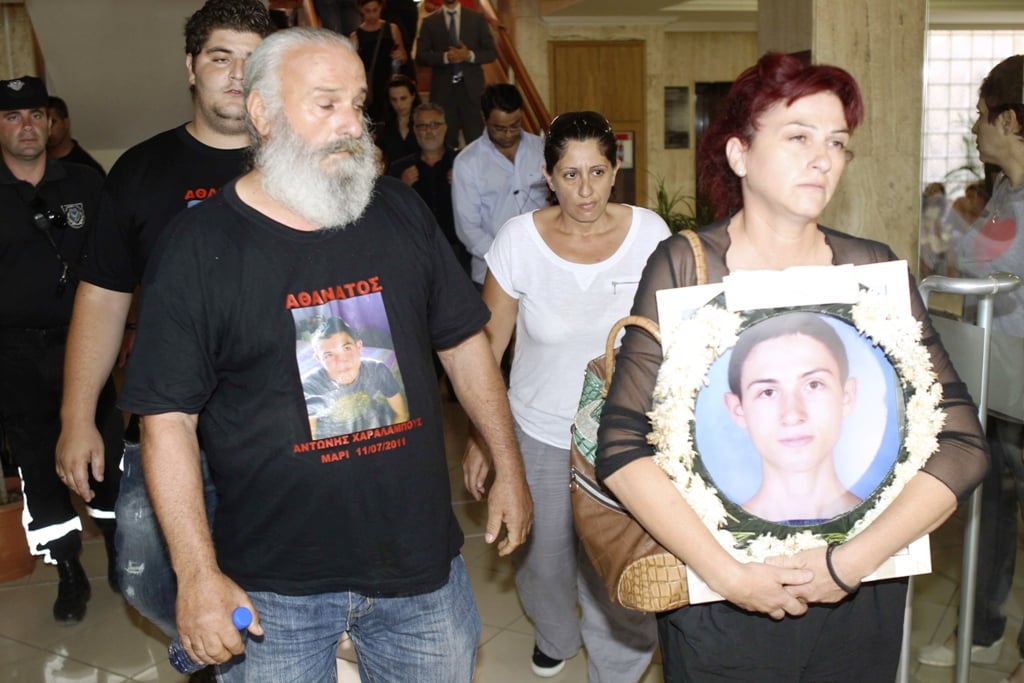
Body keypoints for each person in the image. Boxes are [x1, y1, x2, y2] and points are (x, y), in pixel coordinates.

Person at [118, 27, 531, 681]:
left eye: (357, 104)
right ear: (264, 113)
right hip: (272, 585)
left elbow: (462, 343)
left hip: (419, 569)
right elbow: (167, 419)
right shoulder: (198, 248)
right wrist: (196, 572)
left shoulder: (397, 211)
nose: (350, 124)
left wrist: (508, 463)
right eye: (326, 104)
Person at [595, 52, 988, 682]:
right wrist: (731, 577)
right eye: (799, 136)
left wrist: (848, 565)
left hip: (860, 595)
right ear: (740, 154)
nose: (823, 157)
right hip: (724, 604)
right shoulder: (686, 265)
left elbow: (963, 443)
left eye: (837, 142)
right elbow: (620, 444)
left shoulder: (870, 273)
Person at [53, 0, 272, 654]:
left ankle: (255, 648)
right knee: (140, 567)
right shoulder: (142, 171)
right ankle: (220, 644)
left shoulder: (299, 165)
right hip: (164, 419)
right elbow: (102, 299)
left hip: (275, 422)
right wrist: (75, 416)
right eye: (220, 58)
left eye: (252, 61)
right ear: (190, 66)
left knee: (278, 564)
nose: (237, 76)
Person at [463, 111, 665, 679]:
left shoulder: (651, 235)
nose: (586, 191)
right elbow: (488, 345)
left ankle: (620, 664)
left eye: (598, 173)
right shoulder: (519, 241)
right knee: (543, 559)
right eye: (570, 175)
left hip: (624, 433)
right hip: (539, 429)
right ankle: (555, 631)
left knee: (618, 557)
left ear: (616, 169)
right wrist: (483, 436)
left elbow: (673, 333)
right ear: (548, 176)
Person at [0, 75, 122, 623]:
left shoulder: (86, 185)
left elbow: (118, 266)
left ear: (51, 123)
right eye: (12, 116)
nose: (26, 125)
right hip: (15, 355)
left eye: (35, 115)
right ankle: (68, 566)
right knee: (37, 462)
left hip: (84, 349)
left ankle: (122, 548)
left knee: (105, 453)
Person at [919, 54, 1024, 682]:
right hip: (1002, 379)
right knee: (991, 502)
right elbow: (975, 260)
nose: (975, 130)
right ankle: (984, 631)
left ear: (1010, 119)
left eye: (983, 117)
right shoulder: (1006, 191)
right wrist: (942, 225)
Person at [723, 312, 862, 523]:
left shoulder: (888, 519)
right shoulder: (714, 532)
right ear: (737, 409)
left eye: (814, 385)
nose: (792, 415)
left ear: (847, 397)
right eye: (768, 392)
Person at [452, 83, 548, 287]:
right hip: (491, 273)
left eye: (515, 125)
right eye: (500, 128)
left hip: (543, 267)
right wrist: (506, 257)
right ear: (484, 118)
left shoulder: (542, 150)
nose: (508, 134)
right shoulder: (468, 162)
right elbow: (468, 229)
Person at [388, 102, 467, 273]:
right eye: (422, 126)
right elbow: (389, 215)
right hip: (415, 253)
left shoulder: (463, 163)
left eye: (434, 125)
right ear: (415, 130)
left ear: (445, 128)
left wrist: (463, 183)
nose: (429, 131)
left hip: (457, 252)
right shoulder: (399, 169)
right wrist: (402, 187)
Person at [302, 316, 410, 437]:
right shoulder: (309, 388)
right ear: (318, 358)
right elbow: (310, 439)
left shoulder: (376, 370)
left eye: (347, 348)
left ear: (359, 347)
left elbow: (402, 413)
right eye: (329, 355)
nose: (342, 361)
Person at [415, 0, 496, 148]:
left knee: (477, 141)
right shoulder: (429, 21)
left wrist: (468, 55)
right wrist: (445, 57)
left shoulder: (476, 18)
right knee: (445, 143)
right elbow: (421, 56)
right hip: (443, 92)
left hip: (472, 91)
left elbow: (491, 52)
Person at [350, 0, 408, 127]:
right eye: (368, 11)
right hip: (370, 87)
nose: (372, 15)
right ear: (361, 10)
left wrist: (400, 56)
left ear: (381, 8)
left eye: (375, 10)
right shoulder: (356, 36)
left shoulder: (392, 29)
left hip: (390, 82)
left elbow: (404, 57)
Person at [45, 96, 106, 177]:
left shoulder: (88, 170)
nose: (47, 129)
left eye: (52, 122)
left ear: (66, 123)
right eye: (43, 124)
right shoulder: (35, 162)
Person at [377, 74, 421, 165]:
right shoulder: (384, 128)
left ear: (412, 97)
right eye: (394, 100)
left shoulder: (423, 123)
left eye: (403, 98)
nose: (399, 104)